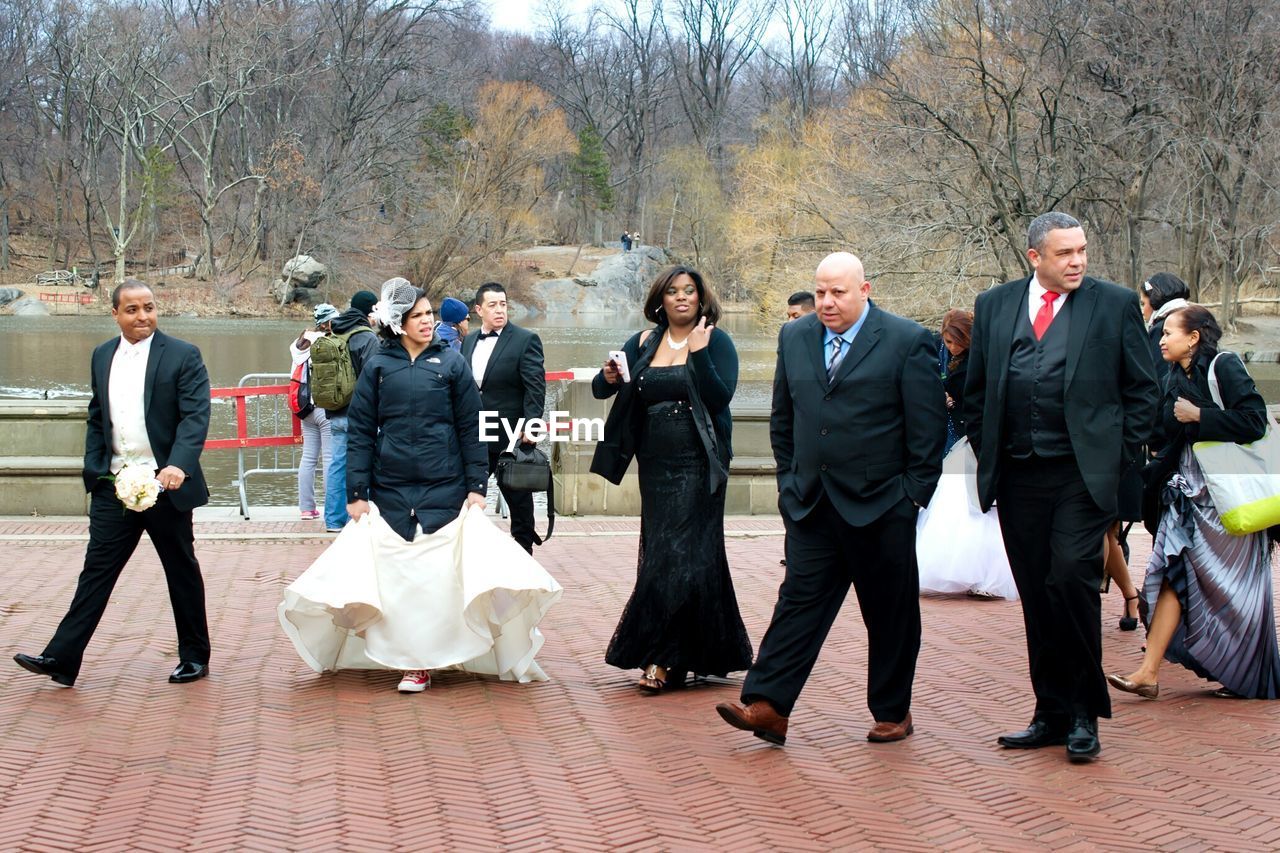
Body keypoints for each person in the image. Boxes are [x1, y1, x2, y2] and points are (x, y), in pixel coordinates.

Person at [716, 252, 946, 746]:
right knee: (797, 603)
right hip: (811, 504)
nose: (826, 302)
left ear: (866, 289)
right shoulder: (794, 337)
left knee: (889, 615)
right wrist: (787, 483)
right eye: (820, 292)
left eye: (838, 292)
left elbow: (927, 434)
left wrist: (910, 500)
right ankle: (769, 705)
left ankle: (892, 710)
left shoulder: (908, 341)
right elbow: (783, 419)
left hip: (883, 505)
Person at [964, 211, 1159, 763]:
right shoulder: (994, 305)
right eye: (1064, 253)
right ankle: (1048, 711)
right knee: (1035, 592)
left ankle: (1083, 713)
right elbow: (976, 392)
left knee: (1071, 579)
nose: (1077, 262)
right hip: (1019, 476)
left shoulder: (1113, 303)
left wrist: (1118, 457)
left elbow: (1142, 390)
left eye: (1082, 251)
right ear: (1035, 258)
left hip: (1081, 475)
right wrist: (991, 451)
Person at [14, 280, 212, 687]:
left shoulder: (182, 355)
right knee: (96, 573)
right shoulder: (102, 355)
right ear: (116, 314)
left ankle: (194, 657)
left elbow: (195, 418)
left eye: (149, 308)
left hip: (166, 486)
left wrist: (177, 465)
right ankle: (62, 659)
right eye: (133, 310)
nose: (143, 316)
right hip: (114, 486)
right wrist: (95, 468)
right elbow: (96, 416)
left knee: (181, 571)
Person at [591, 265, 753, 693]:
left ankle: (661, 658)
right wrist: (606, 378)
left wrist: (698, 353)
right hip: (655, 467)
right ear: (660, 299)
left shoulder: (716, 341)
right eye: (672, 291)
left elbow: (720, 397)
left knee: (677, 557)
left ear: (701, 299)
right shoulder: (643, 341)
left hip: (700, 465)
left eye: (689, 291)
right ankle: (700, 651)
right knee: (675, 554)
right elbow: (602, 387)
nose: (681, 298)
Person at [1107, 305, 1280, 701]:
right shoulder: (1172, 376)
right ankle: (1148, 673)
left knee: (1235, 591)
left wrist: (1200, 415)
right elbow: (1164, 433)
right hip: (1187, 497)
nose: (1162, 339)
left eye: (1169, 332)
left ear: (1194, 337)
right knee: (1172, 571)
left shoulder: (1225, 366)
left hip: (1228, 503)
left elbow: (1254, 419)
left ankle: (1248, 674)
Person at [345, 280, 489, 692]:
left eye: (429, 314)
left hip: (445, 485)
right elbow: (359, 432)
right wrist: (356, 493)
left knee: (434, 578)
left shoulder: (452, 364)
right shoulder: (377, 366)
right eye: (418, 316)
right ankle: (404, 653)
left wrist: (477, 485)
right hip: (389, 487)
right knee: (398, 579)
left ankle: (424, 660)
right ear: (399, 323)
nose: (428, 321)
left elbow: (471, 428)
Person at [915, 308, 1017, 600]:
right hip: (965, 439)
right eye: (947, 342)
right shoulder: (962, 362)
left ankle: (985, 575)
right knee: (960, 505)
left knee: (976, 507)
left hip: (976, 440)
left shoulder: (979, 363)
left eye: (956, 340)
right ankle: (971, 572)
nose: (951, 347)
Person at [460, 282, 546, 554]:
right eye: (493, 305)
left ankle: (524, 554)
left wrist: (532, 425)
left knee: (518, 499)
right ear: (478, 309)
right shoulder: (470, 340)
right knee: (467, 496)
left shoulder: (525, 339)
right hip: (473, 435)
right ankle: (468, 554)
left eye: (503, 304)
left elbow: (535, 386)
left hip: (511, 435)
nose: (499, 310)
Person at [321, 289, 380, 532]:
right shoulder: (367, 338)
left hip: (335, 412)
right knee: (364, 464)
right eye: (375, 309)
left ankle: (334, 520)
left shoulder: (335, 330)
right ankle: (360, 518)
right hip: (361, 414)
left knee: (337, 465)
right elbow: (375, 378)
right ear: (368, 312)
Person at [291, 303, 337, 520]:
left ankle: (306, 509)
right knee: (329, 458)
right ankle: (332, 506)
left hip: (304, 409)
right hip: (324, 407)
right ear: (328, 323)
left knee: (308, 457)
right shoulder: (326, 343)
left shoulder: (299, 343)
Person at [1140, 272, 1191, 372]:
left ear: (1154, 301)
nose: (1142, 311)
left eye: (1143, 303)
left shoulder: (1161, 329)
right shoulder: (1192, 320)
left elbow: (1159, 374)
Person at [940, 309, 971, 454]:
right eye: (948, 341)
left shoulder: (978, 356)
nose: (953, 347)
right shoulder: (937, 350)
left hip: (968, 425)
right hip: (943, 423)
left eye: (959, 342)